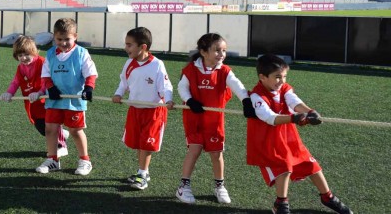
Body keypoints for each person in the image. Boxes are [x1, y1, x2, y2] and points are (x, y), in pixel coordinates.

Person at [245, 54, 352, 214]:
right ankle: (281, 204)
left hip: (289, 138)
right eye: (277, 77)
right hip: (267, 141)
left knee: (311, 165)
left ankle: (327, 197)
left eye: (284, 77)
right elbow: (269, 118)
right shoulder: (256, 96)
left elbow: (294, 102)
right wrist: (294, 118)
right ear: (262, 77)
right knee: (284, 167)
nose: (281, 81)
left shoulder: (284, 89)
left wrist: (310, 112)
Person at [176, 33, 255, 204]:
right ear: (203, 52)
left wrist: (246, 101)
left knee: (216, 153)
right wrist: (189, 100)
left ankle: (220, 186)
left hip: (215, 120)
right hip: (194, 118)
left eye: (224, 51)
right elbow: (182, 88)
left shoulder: (225, 71)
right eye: (217, 50)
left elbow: (238, 87)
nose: (221, 54)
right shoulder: (190, 70)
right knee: (194, 150)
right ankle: (184, 186)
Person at [31, 18, 98, 176]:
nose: (63, 43)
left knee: (75, 130)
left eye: (67, 39)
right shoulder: (50, 54)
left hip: (74, 100)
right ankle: (53, 159)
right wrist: (50, 88)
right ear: (54, 37)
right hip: (54, 99)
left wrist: (89, 88)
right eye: (59, 39)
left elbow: (91, 73)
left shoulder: (81, 53)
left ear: (75, 36)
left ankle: (85, 160)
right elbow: (46, 75)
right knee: (50, 129)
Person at [112, 27, 174, 190]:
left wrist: (168, 100)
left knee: (146, 144)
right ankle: (142, 172)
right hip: (135, 110)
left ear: (143, 47)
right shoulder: (129, 64)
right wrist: (118, 94)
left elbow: (165, 86)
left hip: (154, 112)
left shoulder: (157, 65)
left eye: (129, 45)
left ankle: (142, 173)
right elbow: (123, 83)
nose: (126, 48)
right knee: (139, 143)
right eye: (126, 44)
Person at [0, 36, 69, 158]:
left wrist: (40, 92)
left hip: (46, 101)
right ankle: (62, 133)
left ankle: (61, 146)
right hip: (32, 102)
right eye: (20, 55)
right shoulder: (20, 68)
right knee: (41, 127)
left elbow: (45, 80)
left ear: (34, 51)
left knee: (50, 124)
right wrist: (9, 93)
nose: (23, 58)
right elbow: (15, 82)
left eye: (26, 54)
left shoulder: (42, 62)